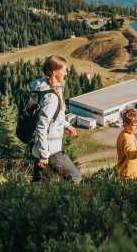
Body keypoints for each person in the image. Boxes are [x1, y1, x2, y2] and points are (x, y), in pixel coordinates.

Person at [31, 55, 82, 184]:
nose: (66, 73)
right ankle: (67, 203)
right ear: (55, 72)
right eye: (64, 70)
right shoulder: (51, 97)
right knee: (76, 177)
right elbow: (42, 125)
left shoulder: (45, 87)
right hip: (50, 150)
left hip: (39, 147)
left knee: (40, 184)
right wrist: (44, 155)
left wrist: (66, 125)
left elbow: (53, 116)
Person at [116, 108, 137, 179]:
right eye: (134, 125)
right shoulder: (126, 138)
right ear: (125, 124)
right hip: (127, 174)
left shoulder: (127, 133)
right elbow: (129, 154)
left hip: (130, 171)